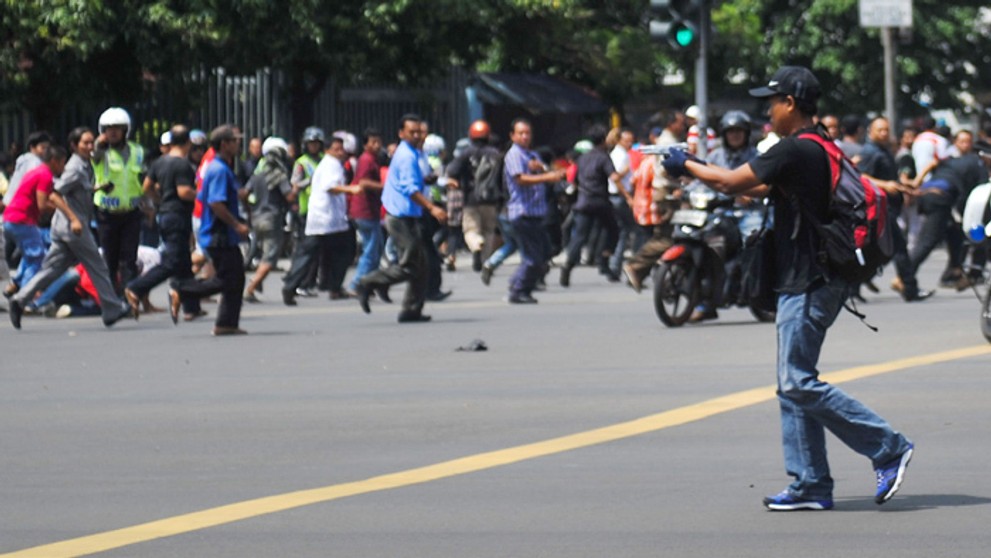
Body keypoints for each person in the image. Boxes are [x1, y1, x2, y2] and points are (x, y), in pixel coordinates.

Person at [662, 66, 914, 511]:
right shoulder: (818, 146)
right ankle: (810, 485)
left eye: (772, 102)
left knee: (796, 380)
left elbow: (731, 180)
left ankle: (887, 446)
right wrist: (699, 175)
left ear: (791, 104)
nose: (768, 112)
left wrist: (685, 162)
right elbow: (752, 191)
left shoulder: (794, 149)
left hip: (811, 280)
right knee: (791, 383)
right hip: (812, 276)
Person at [8, 131, 133, 329]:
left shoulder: (83, 165)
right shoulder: (75, 167)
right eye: (85, 143)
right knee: (97, 265)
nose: (90, 146)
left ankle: (20, 300)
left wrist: (98, 189)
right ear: (74, 145)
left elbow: (76, 190)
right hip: (73, 226)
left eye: (92, 142)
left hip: (64, 226)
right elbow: (54, 194)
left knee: (53, 269)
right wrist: (74, 219)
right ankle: (112, 308)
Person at [354, 114, 447, 322]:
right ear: (401, 133)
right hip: (400, 217)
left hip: (409, 215)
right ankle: (367, 282)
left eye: (419, 132)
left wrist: (429, 180)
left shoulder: (412, 153)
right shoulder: (406, 155)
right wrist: (433, 208)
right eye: (411, 132)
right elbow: (410, 189)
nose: (416, 135)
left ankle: (411, 310)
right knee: (410, 265)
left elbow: (413, 181)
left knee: (421, 265)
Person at [169, 125, 249, 336]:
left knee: (235, 278)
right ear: (224, 144)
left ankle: (226, 323)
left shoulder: (221, 166)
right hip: (218, 233)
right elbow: (216, 203)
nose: (238, 144)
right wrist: (236, 224)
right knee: (226, 279)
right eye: (234, 140)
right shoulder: (219, 169)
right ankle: (181, 290)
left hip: (222, 234)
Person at [123, 125, 204, 319]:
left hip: (167, 214)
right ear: (188, 143)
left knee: (184, 262)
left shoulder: (160, 163)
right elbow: (184, 192)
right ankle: (136, 288)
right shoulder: (182, 165)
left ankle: (191, 307)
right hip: (177, 215)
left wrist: (160, 200)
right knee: (172, 263)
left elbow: (147, 187)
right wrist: (203, 196)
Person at [858, 116, 932, 302]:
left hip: (888, 206)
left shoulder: (884, 151)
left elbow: (892, 178)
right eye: (880, 130)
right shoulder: (870, 152)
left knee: (879, 250)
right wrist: (884, 185)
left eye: (886, 130)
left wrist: (904, 188)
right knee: (898, 247)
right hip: (879, 206)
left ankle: (855, 282)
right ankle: (910, 288)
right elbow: (860, 176)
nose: (884, 133)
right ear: (870, 132)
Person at [281, 137, 360, 304]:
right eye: (336, 149)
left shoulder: (331, 164)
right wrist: (351, 189)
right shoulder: (330, 165)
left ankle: (330, 287)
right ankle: (328, 286)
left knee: (322, 254)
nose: (341, 152)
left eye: (341, 149)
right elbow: (330, 187)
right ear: (328, 150)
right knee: (339, 252)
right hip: (326, 219)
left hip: (329, 220)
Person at [503, 118, 567, 303]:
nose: (524, 137)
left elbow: (545, 172)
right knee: (533, 257)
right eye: (520, 133)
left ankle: (517, 282)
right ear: (512, 136)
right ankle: (518, 290)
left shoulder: (531, 155)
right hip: (523, 211)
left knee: (545, 252)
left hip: (536, 212)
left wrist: (545, 171)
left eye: (527, 133)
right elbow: (520, 179)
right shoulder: (514, 155)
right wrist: (547, 176)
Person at [560, 123, 625, 286]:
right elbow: (615, 177)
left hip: (583, 201)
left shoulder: (582, 158)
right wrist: (628, 196)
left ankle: (568, 266)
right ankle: (604, 259)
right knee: (613, 231)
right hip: (600, 202)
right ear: (603, 140)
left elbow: (574, 180)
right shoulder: (603, 156)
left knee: (580, 237)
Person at [92, 107, 145, 295]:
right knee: (110, 260)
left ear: (126, 130)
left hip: (131, 212)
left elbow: (142, 178)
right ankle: (110, 299)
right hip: (107, 214)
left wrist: (149, 204)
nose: (112, 131)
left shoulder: (138, 151)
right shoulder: (100, 153)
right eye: (108, 128)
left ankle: (128, 297)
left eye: (117, 128)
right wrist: (98, 145)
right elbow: (94, 156)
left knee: (129, 259)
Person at [3, 145, 67, 296]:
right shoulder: (45, 175)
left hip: (12, 218)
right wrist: (65, 210)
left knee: (30, 253)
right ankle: (26, 295)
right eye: (62, 162)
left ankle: (16, 283)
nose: (63, 167)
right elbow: (42, 204)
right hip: (22, 220)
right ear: (54, 161)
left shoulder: (36, 171)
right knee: (37, 256)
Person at [446, 119, 503, 272]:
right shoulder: (496, 154)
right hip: (491, 199)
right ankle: (484, 260)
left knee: (471, 230)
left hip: (470, 198)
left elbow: (452, 171)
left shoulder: (466, 153)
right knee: (489, 229)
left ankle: (476, 245)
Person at [244, 137, 294, 302]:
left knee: (262, 253)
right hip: (272, 218)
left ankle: (257, 283)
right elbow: (289, 196)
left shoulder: (257, 175)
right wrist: (299, 188)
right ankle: (251, 287)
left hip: (256, 217)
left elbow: (244, 193)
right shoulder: (279, 174)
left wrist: (249, 209)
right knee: (270, 258)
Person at [347, 128, 388, 297]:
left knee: (376, 248)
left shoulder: (373, 159)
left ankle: (369, 282)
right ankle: (357, 283)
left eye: (379, 141)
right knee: (371, 250)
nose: (377, 145)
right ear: (365, 145)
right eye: (373, 142)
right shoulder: (366, 160)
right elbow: (363, 182)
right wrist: (386, 187)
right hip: (364, 210)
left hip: (370, 210)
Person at [290, 126, 326, 297]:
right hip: (307, 209)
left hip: (323, 209)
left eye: (317, 143)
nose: (314, 147)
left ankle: (311, 281)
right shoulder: (301, 163)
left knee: (318, 250)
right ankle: (300, 282)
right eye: (311, 143)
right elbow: (295, 185)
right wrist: (311, 181)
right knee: (307, 249)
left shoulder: (324, 160)